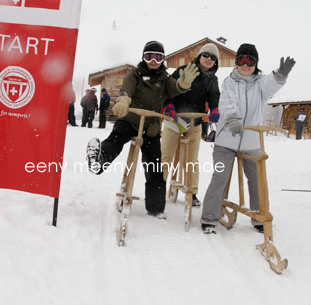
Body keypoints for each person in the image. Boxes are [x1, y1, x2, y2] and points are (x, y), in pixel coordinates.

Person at [85, 40, 199, 218]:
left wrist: (182, 84)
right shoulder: (135, 75)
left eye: (158, 57)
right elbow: (127, 89)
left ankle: (155, 207)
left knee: (154, 166)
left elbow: (173, 89)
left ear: (162, 60)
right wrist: (123, 100)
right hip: (130, 121)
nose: (153, 61)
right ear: (143, 57)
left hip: (150, 128)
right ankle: (99, 160)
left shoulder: (164, 79)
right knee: (116, 139)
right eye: (149, 56)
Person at [200, 43, 296, 234]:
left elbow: (271, 84)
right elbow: (227, 103)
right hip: (226, 140)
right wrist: (233, 118)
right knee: (220, 176)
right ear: (236, 62)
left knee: (256, 178)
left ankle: (259, 217)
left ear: (255, 63)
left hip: (251, 141)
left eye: (249, 61)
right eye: (241, 61)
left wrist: (280, 76)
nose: (245, 65)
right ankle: (209, 218)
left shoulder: (260, 84)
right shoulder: (229, 82)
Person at [161, 43, 220, 207]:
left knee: (191, 160)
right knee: (166, 156)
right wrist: (168, 104)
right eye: (206, 55)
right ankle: (158, 189)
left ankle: (192, 192)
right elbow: (169, 89)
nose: (208, 59)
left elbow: (214, 96)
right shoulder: (183, 70)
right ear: (200, 56)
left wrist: (215, 108)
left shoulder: (212, 79)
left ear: (216, 62)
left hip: (194, 122)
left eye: (213, 58)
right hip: (175, 119)